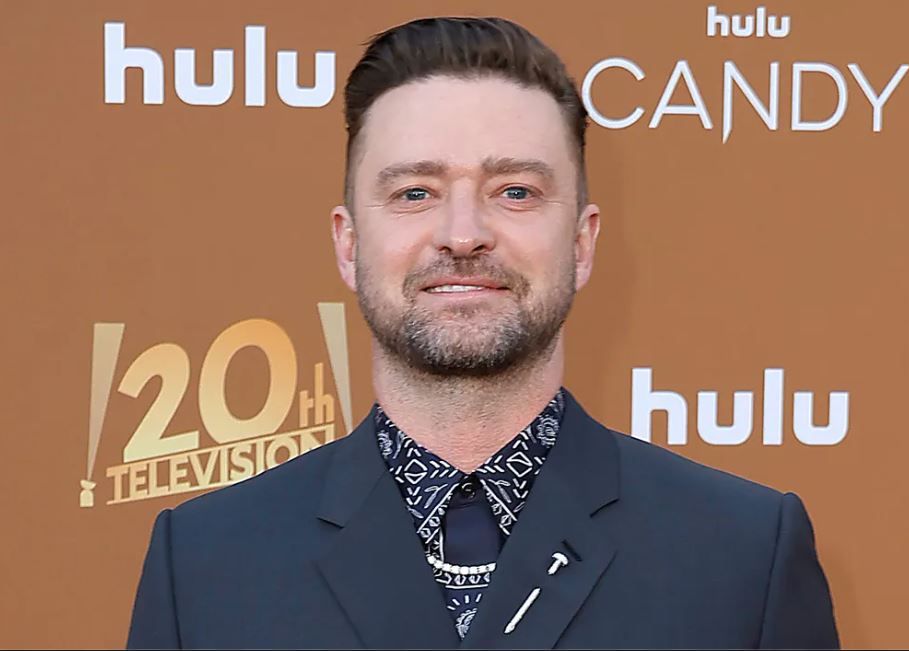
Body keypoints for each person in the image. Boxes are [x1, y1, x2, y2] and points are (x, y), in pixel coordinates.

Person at [127, 16, 839, 649]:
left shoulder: (744, 555)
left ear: (582, 243)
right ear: (348, 244)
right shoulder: (204, 564)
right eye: (415, 192)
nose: (463, 234)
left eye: (515, 192)